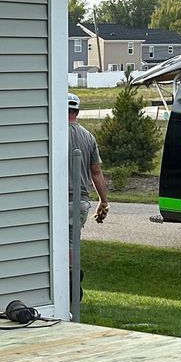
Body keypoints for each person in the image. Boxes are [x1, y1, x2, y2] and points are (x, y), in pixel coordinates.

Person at [67, 92, 109, 319]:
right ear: (78, 112)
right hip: (81, 202)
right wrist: (104, 201)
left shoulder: (54, 132)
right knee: (72, 243)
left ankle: (71, 286)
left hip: (61, 199)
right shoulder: (88, 137)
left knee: (61, 245)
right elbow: (96, 172)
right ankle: (73, 284)